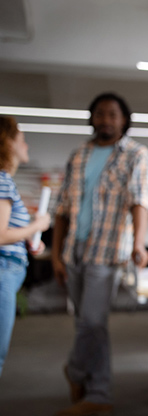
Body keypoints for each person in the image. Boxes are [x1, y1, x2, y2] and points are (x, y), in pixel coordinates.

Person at [51, 93, 148, 416]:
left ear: (124, 119)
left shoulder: (136, 154)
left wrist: (139, 243)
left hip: (108, 250)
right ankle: (99, 394)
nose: (106, 119)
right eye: (100, 114)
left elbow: (140, 200)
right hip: (74, 250)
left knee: (91, 323)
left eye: (113, 114)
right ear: (92, 118)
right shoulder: (79, 155)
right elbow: (62, 210)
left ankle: (76, 371)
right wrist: (56, 255)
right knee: (89, 325)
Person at [0, 116, 51, 377]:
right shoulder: (3, 181)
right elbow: (0, 235)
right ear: (7, 143)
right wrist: (38, 225)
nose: (27, 145)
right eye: (21, 139)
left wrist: (29, 240)